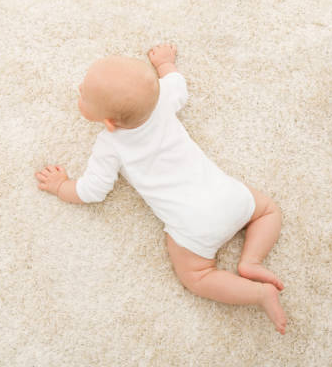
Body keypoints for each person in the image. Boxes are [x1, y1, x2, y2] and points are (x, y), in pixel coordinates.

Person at [35, 44, 287, 334]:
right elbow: (178, 84)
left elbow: (92, 192)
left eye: (84, 95)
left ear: (109, 123)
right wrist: (166, 64)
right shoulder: (163, 99)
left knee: (198, 276)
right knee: (268, 211)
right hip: (228, 196)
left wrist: (61, 186)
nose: (79, 88)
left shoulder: (110, 145)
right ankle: (252, 260)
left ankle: (258, 293)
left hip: (193, 225)